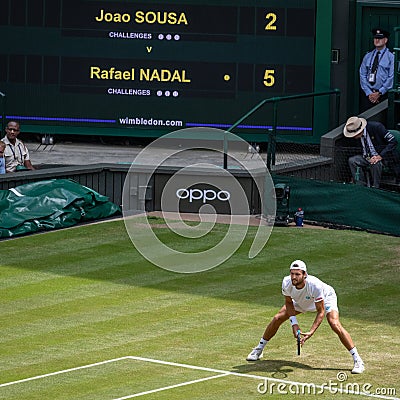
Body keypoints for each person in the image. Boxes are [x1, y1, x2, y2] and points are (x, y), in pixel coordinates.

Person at [246, 260, 365, 374]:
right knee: (277, 318)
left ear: (304, 275)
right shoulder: (286, 282)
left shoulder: (315, 286)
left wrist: (311, 331)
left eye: (297, 274)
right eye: (292, 273)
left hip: (325, 299)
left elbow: (320, 311)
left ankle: (357, 360)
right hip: (300, 301)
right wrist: (294, 323)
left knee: (334, 323)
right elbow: (288, 303)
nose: (293, 277)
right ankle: (259, 349)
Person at [343, 116, 400, 188]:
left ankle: (375, 187)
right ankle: (360, 185)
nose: (353, 137)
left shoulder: (377, 127)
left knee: (375, 163)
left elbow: (393, 142)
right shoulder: (354, 138)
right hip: (366, 157)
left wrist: (380, 156)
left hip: (382, 157)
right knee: (352, 160)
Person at [359, 28, 394, 112]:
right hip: (368, 95)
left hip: (383, 95)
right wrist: (369, 93)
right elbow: (362, 74)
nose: (377, 40)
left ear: (385, 40)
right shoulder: (368, 56)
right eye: (375, 38)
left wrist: (380, 92)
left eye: (380, 38)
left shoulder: (391, 57)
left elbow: (391, 76)